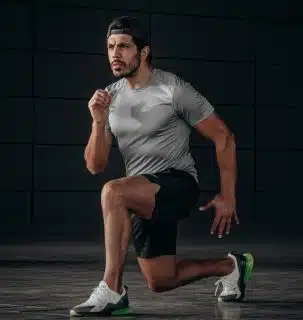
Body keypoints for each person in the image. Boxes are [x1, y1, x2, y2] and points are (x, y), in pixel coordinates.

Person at [69, 16, 254, 317]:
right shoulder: (109, 97)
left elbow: (224, 137)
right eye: (111, 47)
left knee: (113, 193)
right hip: (141, 192)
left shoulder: (173, 89)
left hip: (178, 184)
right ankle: (232, 265)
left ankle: (112, 290)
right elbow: (95, 165)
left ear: (143, 52)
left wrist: (228, 197)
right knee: (161, 280)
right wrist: (98, 121)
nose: (116, 54)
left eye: (124, 46)